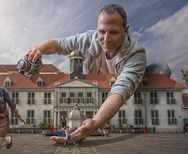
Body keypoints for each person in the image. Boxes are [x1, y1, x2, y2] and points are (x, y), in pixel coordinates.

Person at [24, 4, 146, 144]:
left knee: (160, 69)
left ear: (126, 30)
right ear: (97, 29)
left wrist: (93, 124)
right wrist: (36, 51)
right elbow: (59, 44)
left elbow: (119, 91)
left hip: (114, 88)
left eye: (113, 32)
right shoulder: (90, 38)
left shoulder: (136, 55)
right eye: (102, 32)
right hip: (96, 82)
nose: (106, 39)